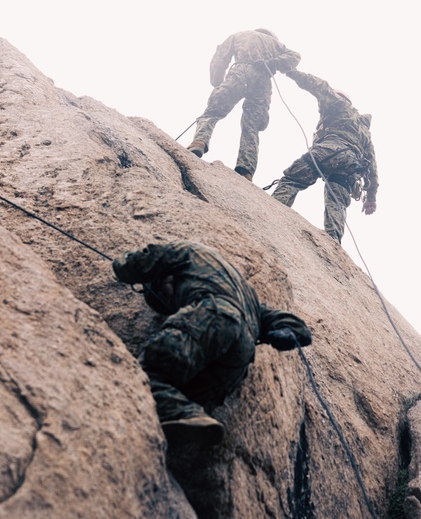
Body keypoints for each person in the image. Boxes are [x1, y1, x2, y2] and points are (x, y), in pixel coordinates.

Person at [112, 240, 313, 447]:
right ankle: (190, 419)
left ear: (165, 279)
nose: (170, 306)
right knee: (185, 393)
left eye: (164, 296)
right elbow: (295, 327)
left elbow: (139, 262)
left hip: (212, 316)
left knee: (149, 372)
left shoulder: (183, 251)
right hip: (239, 359)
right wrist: (287, 332)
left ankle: (180, 414)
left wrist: (119, 265)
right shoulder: (244, 292)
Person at [270, 70, 378, 243]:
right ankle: (333, 242)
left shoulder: (338, 105)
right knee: (337, 205)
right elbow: (372, 166)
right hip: (350, 168)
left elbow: (320, 86)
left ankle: (270, 211)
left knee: (292, 179)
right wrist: (371, 197)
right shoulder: (364, 130)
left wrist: (290, 71)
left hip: (329, 151)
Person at [187, 29, 301, 181]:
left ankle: (199, 142)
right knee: (251, 127)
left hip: (240, 72)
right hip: (263, 80)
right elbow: (294, 56)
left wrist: (217, 81)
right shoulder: (276, 44)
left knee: (213, 112)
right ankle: (246, 169)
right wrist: (272, 62)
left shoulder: (240, 35)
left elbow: (220, 58)